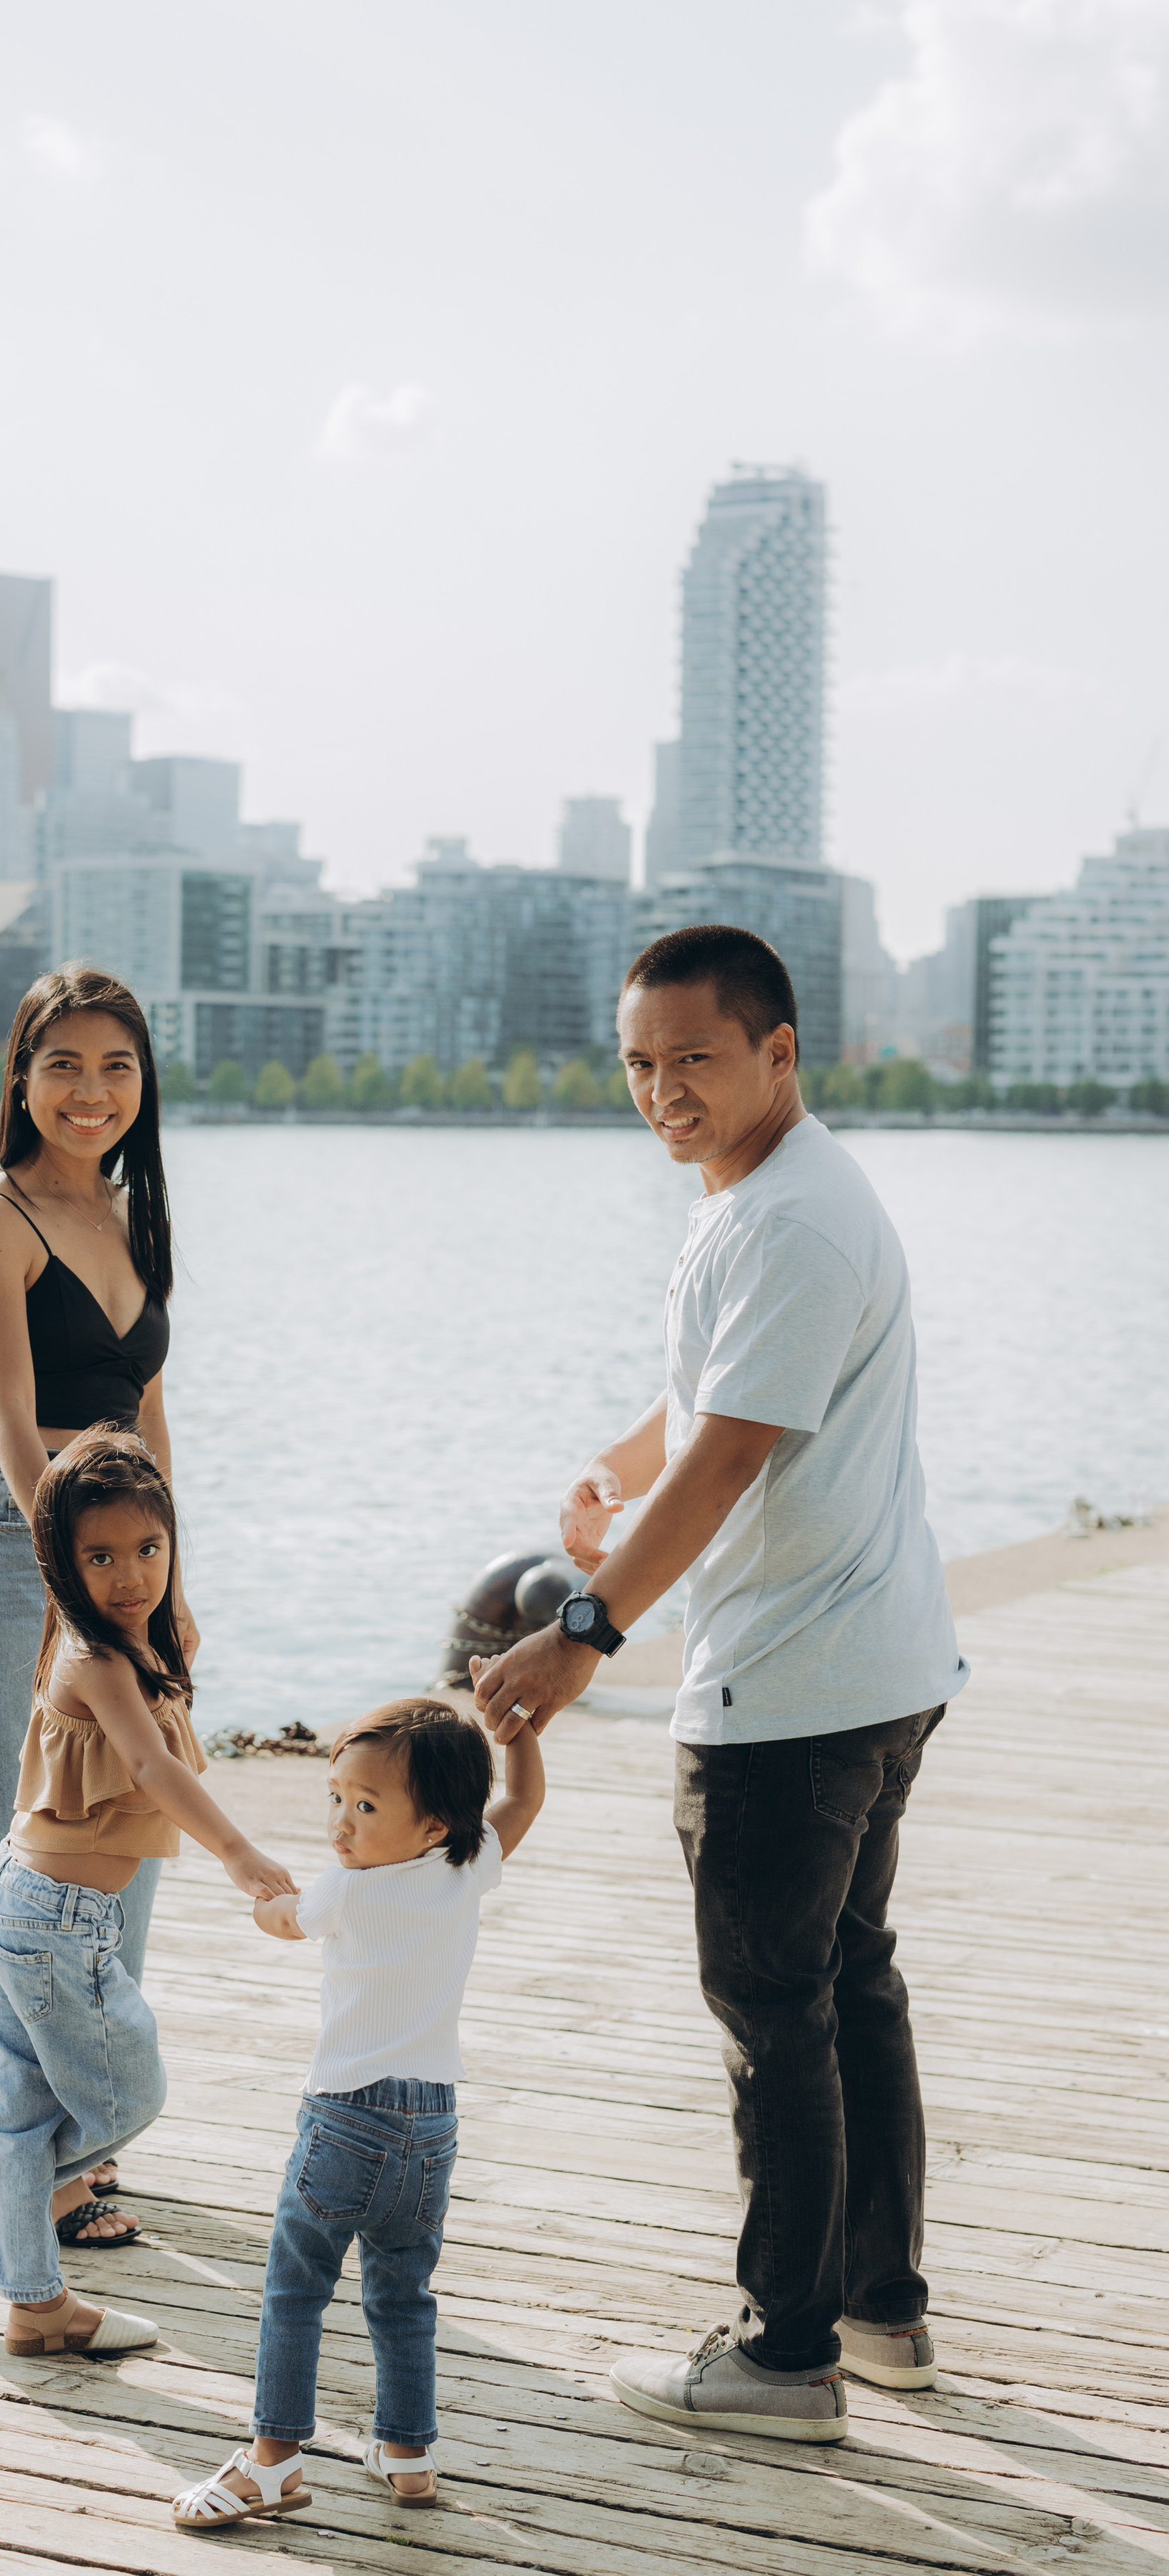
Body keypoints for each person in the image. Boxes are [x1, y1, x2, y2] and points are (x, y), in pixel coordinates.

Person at [475, 924, 966, 2446]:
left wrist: (579, 1630)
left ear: (775, 1051)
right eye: (637, 1063)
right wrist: (617, 1468)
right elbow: (709, 1405)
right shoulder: (762, 1198)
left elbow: (733, 1456)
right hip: (869, 1663)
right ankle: (879, 2312)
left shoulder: (790, 1222)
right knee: (847, 1984)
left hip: (795, 1690)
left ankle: (781, 2354)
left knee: (774, 2014)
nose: (661, 1090)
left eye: (693, 1057)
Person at [0, 1430, 295, 2356]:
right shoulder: (92, 1657)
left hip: (28, 1907)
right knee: (125, 2094)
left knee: (35, 2106)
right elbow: (148, 1764)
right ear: (60, 1560)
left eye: (148, 1550)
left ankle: (36, 2306)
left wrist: (174, 1627)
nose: (129, 1575)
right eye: (100, 1556)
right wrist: (240, 1855)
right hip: (49, 1922)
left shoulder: (132, 1643)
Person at [0, 964, 194, 2248]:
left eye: (117, 1069)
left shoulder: (134, 1214)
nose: (90, 1094)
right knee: (26, 1858)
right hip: (17, 1544)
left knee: (123, 1843)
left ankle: (50, 2136)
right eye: (64, 1067)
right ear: (22, 1079)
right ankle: (35, 2158)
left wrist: (169, 1588)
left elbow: (148, 1416)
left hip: (120, 1564)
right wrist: (76, 1601)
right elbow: (10, 1418)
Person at [171, 1698, 546, 2529]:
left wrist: (265, 1902)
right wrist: (518, 1740)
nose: (341, 1822)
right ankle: (407, 2452)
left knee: (295, 2290)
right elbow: (520, 1806)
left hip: (344, 2119)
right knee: (403, 2292)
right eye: (335, 1798)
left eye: (366, 1807)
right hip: (434, 2125)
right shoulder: (464, 1862)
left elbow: (281, 1922)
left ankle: (273, 2463)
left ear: (430, 1824)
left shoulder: (342, 1892)